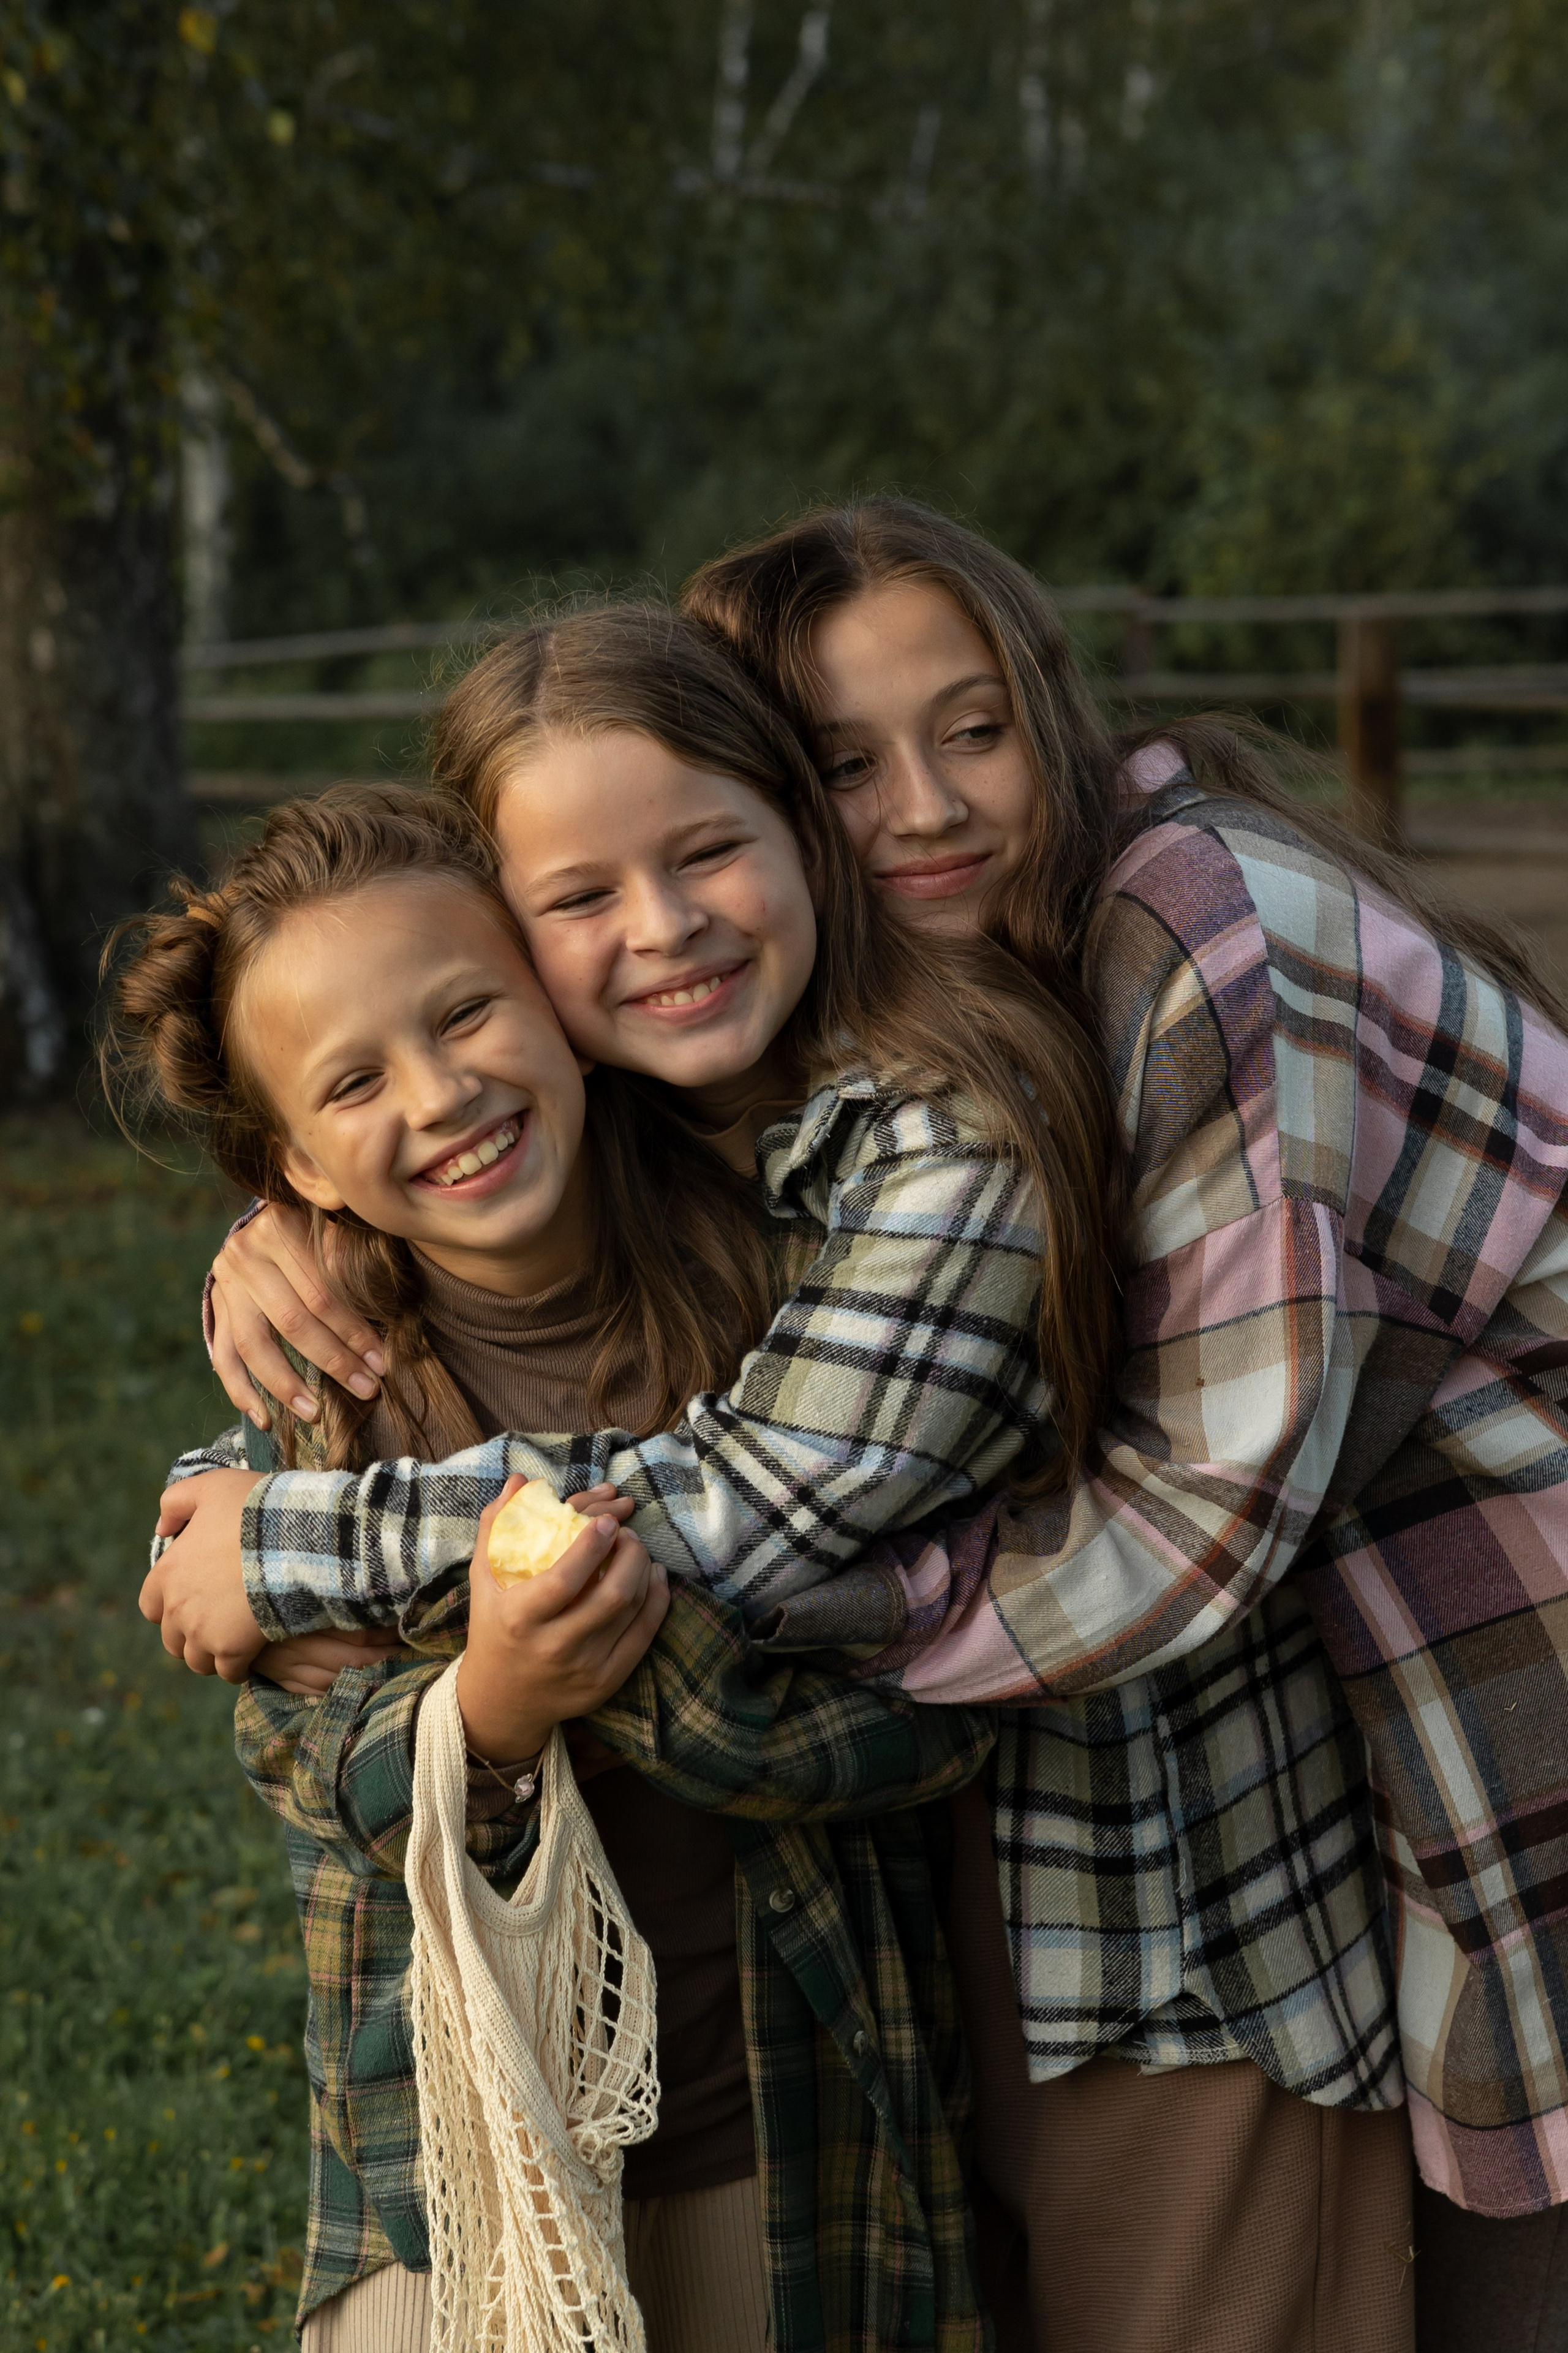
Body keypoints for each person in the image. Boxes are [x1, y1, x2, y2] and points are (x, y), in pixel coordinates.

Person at [167, 592, 1414, 2350]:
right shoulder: (362, 1325)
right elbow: (300, 1744)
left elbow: (830, 1624)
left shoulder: (841, 1205)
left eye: (704, 852)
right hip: (464, 2145)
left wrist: (439, 1629)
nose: (657, 927)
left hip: (947, 2026)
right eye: (581, 898)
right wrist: (281, 1247)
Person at [679, 496, 1568, 2353]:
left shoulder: (1196, 920)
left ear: (1052, 709)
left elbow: (1199, 1508)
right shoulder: (962, 967)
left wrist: (835, 1607)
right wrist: (302, 1214)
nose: (928, 806)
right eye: (845, 763)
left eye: (975, 727)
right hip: (1382, 1621)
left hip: (1515, 1593)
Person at [107, 784, 999, 2353]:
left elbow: (928, 1697)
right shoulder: (328, 1387)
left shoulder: (785, 1295)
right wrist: (495, 1710)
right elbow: (311, 1765)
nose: (442, 1090)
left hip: (784, 2127)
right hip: (448, 2150)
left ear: (561, 1008)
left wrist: (543, 1655)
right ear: (299, 1169)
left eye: (468, 1012)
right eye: (355, 1081)